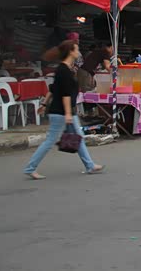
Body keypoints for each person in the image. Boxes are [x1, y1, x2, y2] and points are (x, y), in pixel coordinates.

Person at [24, 40, 104, 179]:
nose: (78, 52)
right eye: (76, 49)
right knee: (50, 141)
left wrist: (44, 104)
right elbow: (65, 94)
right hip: (61, 112)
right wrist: (67, 113)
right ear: (70, 52)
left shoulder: (65, 69)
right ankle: (30, 168)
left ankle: (90, 165)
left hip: (65, 111)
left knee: (78, 137)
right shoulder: (64, 71)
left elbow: (53, 89)